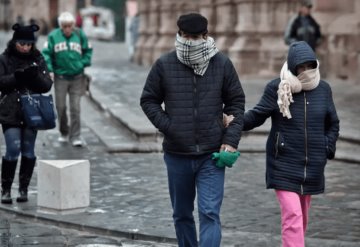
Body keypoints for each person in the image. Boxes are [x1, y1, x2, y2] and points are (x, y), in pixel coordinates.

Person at [140, 13, 245, 247]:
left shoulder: (222, 64)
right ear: (179, 35)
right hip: (177, 154)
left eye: (195, 37)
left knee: (209, 212)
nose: (191, 42)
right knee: (182, 214)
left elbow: (236, 103)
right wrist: (170, 126)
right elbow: (149, 100)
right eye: (186, 36)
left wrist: (231, 139)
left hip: (212, 154)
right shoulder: (164, 65)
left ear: (205, 36)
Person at [241, 41, 339, 247]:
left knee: (301, 218)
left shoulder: (323, 89)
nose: (305, 71)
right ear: (293, 67)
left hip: (312, 166)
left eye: (309, 66)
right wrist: (232, 122)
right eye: (300, 67)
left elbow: (333, 123)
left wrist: (327, 147)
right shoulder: (277, 88)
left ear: (315, 65)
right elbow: (257, 115)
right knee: (293, 216)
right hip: (283, 164)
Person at [0, 23, 53, 203]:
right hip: (10, 111)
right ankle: (5, 189)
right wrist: (17, 77)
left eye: (28, 44)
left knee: (29, 151)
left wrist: (34, 76)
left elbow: (46, 85)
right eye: (22, 43)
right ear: (15, 42)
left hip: (32, 111)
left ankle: (23, 189)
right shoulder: (5, 59)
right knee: (13, 149)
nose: (25, 47)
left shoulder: (38, 58)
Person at [42, 12, 93, 147]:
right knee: (61, 107)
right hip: (61, 77)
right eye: (65, 26)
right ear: (61, 26)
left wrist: (83, 63)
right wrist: (50, 70)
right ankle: (64, 132)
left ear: (73, 25)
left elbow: (88, 50)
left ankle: (75, 135)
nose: (68, 29)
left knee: (75, 107)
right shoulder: (53, 36)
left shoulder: (80, 34)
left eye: (70, 26)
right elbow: (46, 53)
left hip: (77, 77)